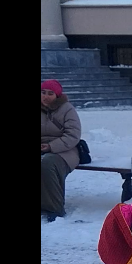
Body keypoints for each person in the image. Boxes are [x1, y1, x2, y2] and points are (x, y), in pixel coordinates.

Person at [40, 79, 81, 220]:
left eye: (50, 93)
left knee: (47, 163)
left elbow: (73, 135)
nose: (45, 96)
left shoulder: (67, 109)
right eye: (43, 92)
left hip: (65, 150)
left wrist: (51, 146)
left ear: (57, 95)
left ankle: (54, 207)